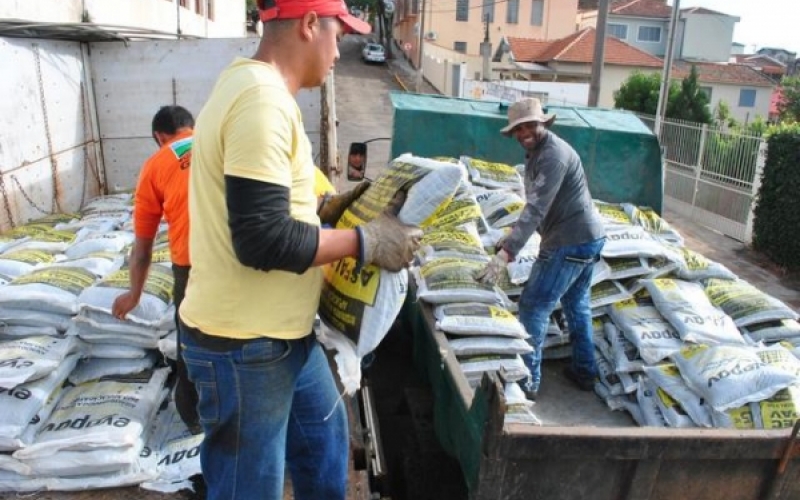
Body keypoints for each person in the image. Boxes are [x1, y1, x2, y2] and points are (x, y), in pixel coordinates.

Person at [176, 1, 423, 498]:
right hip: (245, 346)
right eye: (339, 33)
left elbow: (262, 205)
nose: (341, 49)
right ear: (310, 24)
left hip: (282, 336)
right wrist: (365, 241)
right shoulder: (260, 102)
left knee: (324, 451)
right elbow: (262, 238)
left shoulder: (250, 87)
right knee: (249, 487)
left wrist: (325, 208)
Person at [476, 97, 606, 401]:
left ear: (542, 123)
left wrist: (507, 252)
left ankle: (527, 382)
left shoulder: (552, 156)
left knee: (534, 305)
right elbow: (538, 209)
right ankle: (585, 371)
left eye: (529, 125)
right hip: (586, 238)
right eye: (518, 129)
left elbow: (536, 209)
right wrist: (511, 237)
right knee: (577, 305)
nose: (524, 133)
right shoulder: (537, 153)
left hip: (570, 241)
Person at [111, 105, 201, 432]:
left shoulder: (156, 164)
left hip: (194, 266)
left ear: (159, 137)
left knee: (194, 346)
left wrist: (134, 296)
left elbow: (143, 247)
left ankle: (195, 421)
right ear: (192, 127)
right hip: (243, 256)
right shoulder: (222, 142)